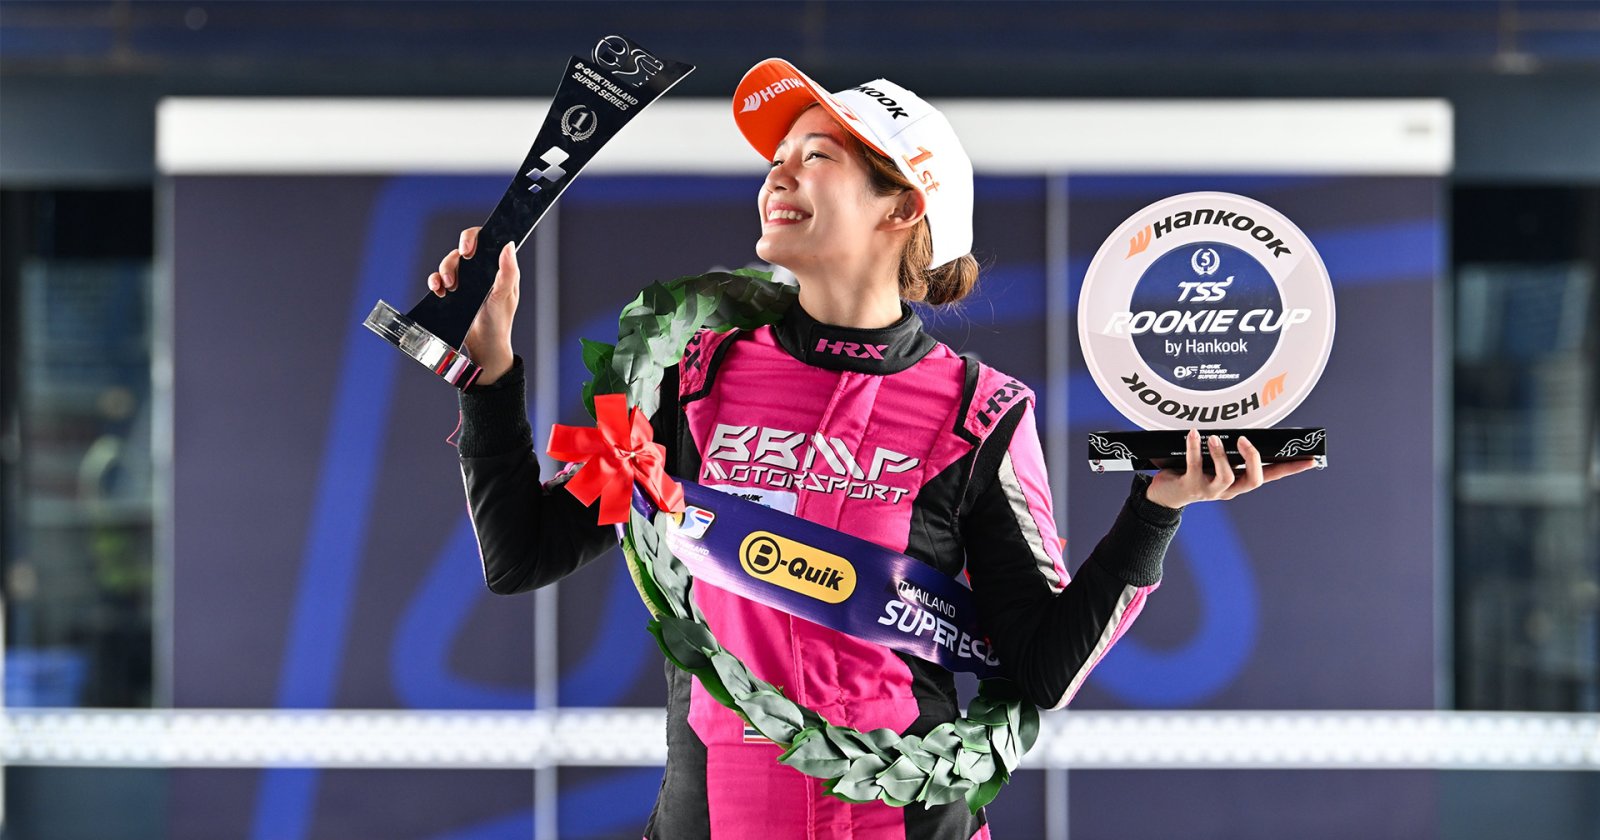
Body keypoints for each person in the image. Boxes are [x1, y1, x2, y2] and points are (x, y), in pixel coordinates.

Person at [426, 59, 1314, 840]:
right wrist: (490, 372)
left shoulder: (981, 413)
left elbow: (1042, 668)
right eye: (776, 158)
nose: (778, 174)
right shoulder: (690, 377)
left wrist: (1156, 511)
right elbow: (522, 552)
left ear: (904, 205)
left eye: (815, 155)